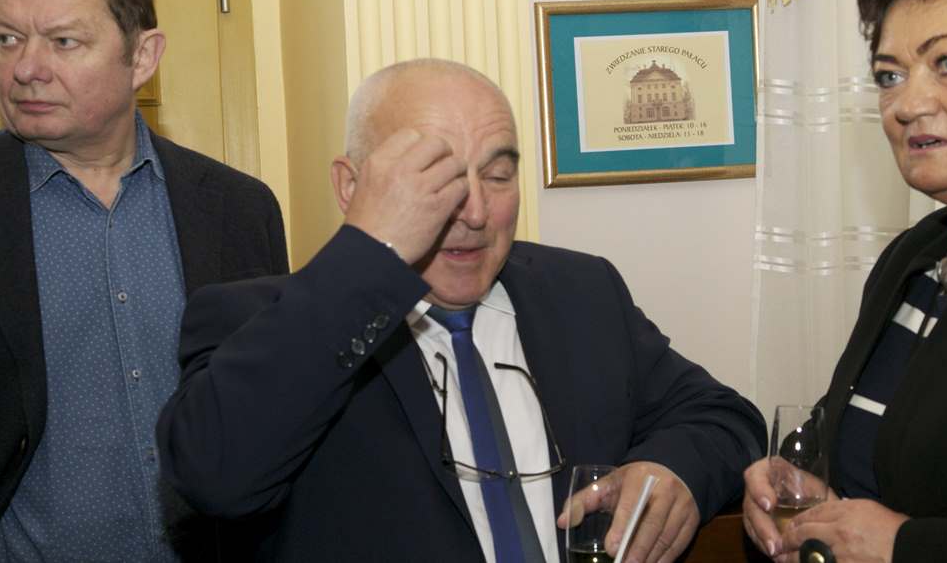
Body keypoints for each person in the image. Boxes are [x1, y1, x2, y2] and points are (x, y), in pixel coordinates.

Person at [157, 57, 765, 562]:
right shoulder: (252, 318)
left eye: (497, 176)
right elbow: (215, 475)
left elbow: (722, 417)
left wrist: (671, 471)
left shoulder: (581, 291)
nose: (474, 212)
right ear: (351, 188)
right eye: (434, 180)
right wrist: (370, 258)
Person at [0, 0, 288, 561]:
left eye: (63, 41)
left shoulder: (240, 211)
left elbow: (272, 413)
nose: (26, 68)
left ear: (143, 57)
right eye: (6, 38)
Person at [743, 0, 947, 563]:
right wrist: (794, 484)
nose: (907, 104)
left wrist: (906, 548)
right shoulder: (914, 259)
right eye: (889, 74)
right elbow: (852, 443)